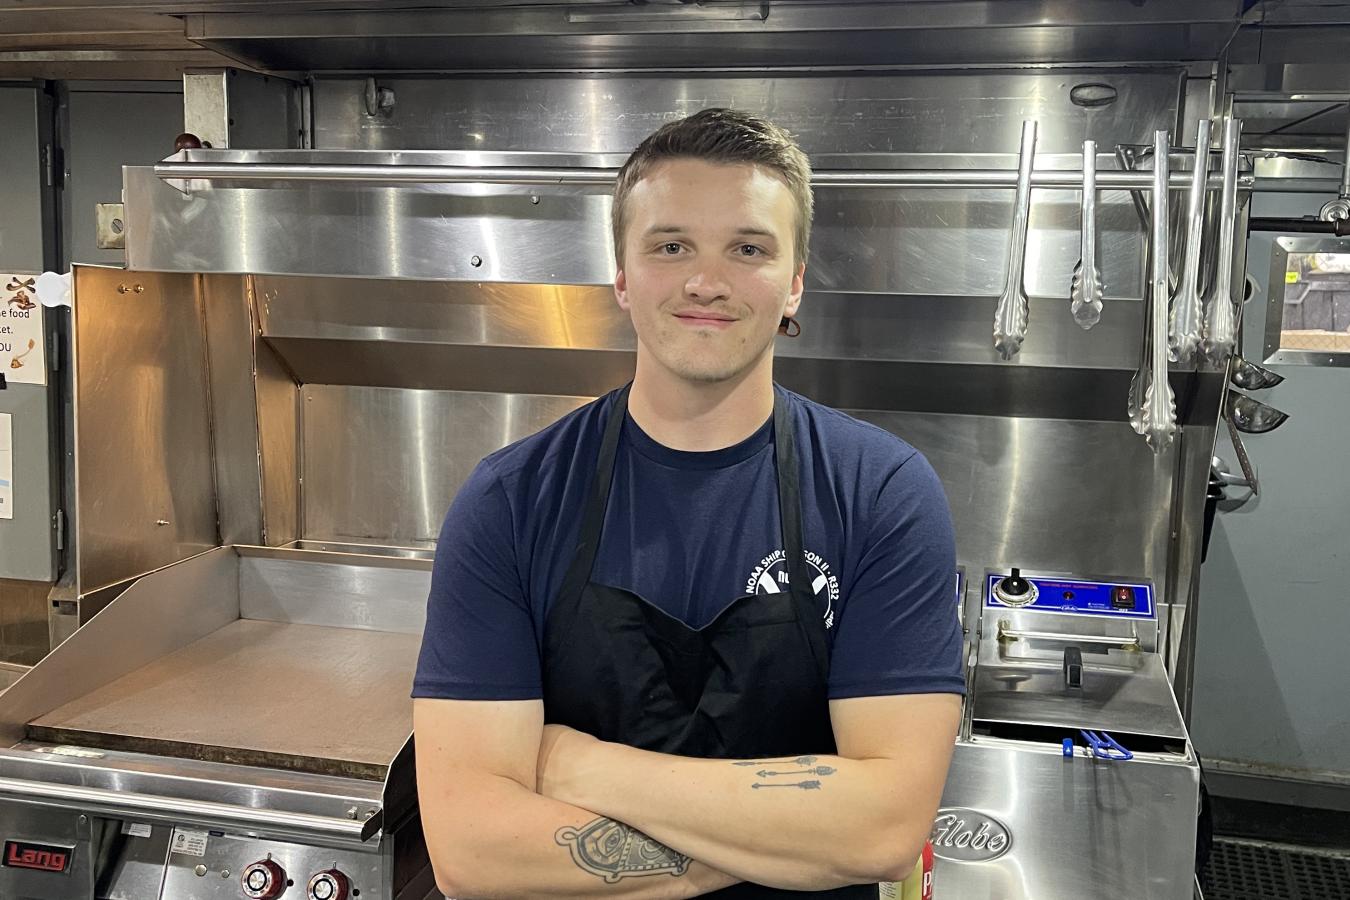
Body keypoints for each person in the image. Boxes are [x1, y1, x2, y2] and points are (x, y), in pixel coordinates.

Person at [413, 108, 963, 899]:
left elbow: (884, 832)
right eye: (671, 246)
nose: (707, 281)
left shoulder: (881, 493)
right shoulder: (510, 501)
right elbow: (470, 852)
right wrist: (797, 841)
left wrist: (582, 765)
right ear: (624, 276)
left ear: (795, 278)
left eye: (748, 248)